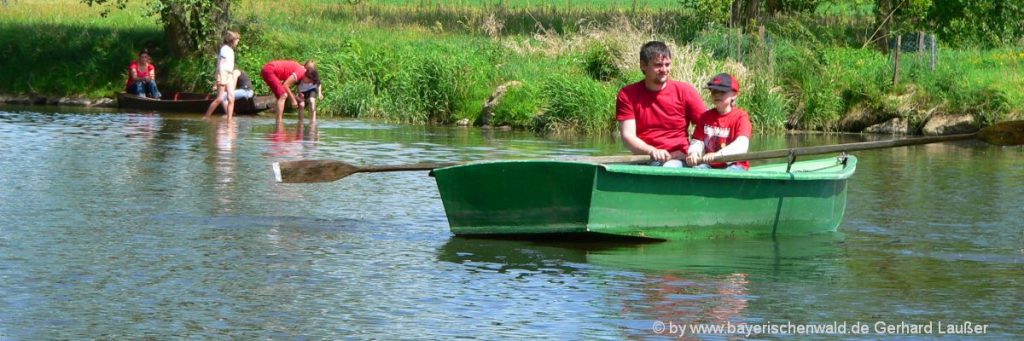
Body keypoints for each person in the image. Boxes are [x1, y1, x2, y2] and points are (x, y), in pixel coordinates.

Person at [616, 41, 707, 167]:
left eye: (667, 64)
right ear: (643, 65)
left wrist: (692, 151)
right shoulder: (627, 94)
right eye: (658, 65)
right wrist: (652, 151)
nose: (664, 70)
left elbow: (708, 126)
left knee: (669, 166)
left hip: (679, 159)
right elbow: (628, 135)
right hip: (645, 157)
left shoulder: (685, 91)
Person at [685, 73, 753, 171]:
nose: (717, 94)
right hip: (710, 165)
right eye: (714, 91)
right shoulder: (705, 117)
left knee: (729, 173)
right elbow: (697, 142)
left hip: (735, 165)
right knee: (696, 170)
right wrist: (693, 153)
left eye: (722, 92)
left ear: (734, 95)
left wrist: (717, 155)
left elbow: (741, 145)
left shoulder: (741, 117)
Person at [210, 31, 241, 118]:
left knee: (231, 98)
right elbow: (221, 64)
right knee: (220, 98)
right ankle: (206, 117)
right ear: (232, 40)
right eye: (237, 40)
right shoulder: (225, 49)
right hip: (223, 73)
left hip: (229, 74)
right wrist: (219, 78)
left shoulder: (231, 50)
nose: (238, 42)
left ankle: (229, 119)